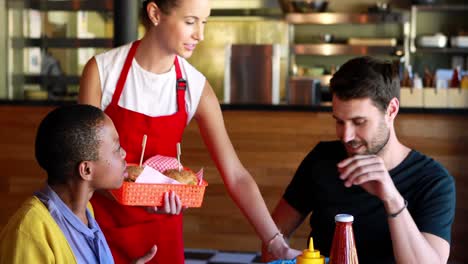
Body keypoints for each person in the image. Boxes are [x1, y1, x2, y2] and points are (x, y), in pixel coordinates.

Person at [78, 0, 300, 263]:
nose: (200, 35)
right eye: (190, 21)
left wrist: (275, 242)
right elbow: (83, 164)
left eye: (204, 22)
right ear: (155, 13)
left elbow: (236, 175)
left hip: (163, 237)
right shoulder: (103, 72)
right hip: (102, 233)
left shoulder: (196, 87)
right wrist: (127, 192)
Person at [262, 56, 456, 264]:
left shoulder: (434, 181)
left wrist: (391, 199)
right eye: (339, 121)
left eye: (359, 122)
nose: (346, 136)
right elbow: (273, 236)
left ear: (391, 110)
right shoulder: (322, 159)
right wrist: (285, 255)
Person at [0, 104, 157, 264]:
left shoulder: (86, 210)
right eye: (116, 148)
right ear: (86, 170)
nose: (124, 153)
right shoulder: (30, 231)